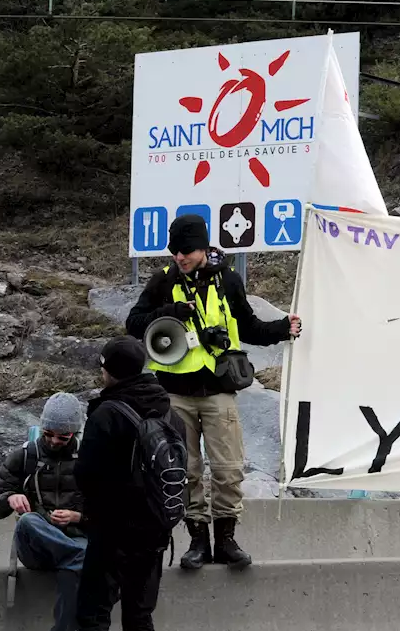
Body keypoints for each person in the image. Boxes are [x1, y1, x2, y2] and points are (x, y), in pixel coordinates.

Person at [125, 213, 301, 571]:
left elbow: (248, 326)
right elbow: (134, 324)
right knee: (184, 469)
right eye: (175, 251)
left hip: (220, 389)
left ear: (203, 247)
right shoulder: (163, 282)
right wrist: (170, 312)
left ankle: (226, 540)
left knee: (228, 467)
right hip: (174, 393)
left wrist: (283, 328)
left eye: (186, 251)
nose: (180, 257)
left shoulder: (229, 280)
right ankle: (197, 542)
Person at [45, 338, 177, 631]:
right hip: (154, 533)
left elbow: (86, 474)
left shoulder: (107, 412)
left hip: (114, 531)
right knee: (140, 621)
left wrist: (93, 510)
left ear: (110, 370)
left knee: (93, 619)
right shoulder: (168, 409)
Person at [0, 392, 87, 631]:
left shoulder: (90, 459)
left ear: (75, 433)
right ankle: (83, 555)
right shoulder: (25, 455)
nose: (55, 441)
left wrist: (78, 516)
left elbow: (113, 508)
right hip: (38, 546)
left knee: (75, 570)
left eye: (63, 436)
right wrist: (9, 498)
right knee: (29, 522)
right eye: (48, 434)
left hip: (73, 542)